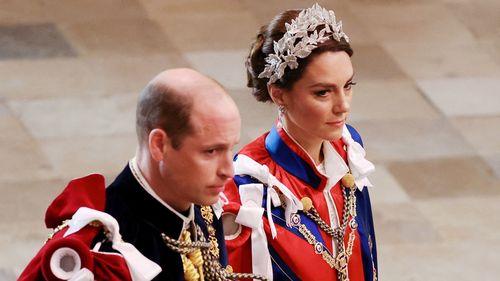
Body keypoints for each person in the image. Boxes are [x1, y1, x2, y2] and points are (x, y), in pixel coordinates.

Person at [19, 68, 244, 281]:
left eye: (231, 148)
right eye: (211, 151)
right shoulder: (106, 257)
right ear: (159, 145)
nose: (228, 171)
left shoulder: (201, 207)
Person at [222, 4, 378, 281]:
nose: (343, 106)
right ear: (279, 94)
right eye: (322, 93)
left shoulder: (348, 147)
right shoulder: (250, 188)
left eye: (348, 86)